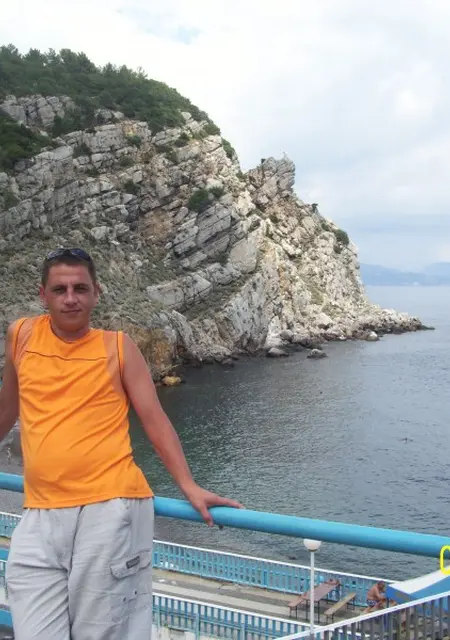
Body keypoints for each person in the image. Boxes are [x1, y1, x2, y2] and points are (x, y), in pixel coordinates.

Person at [0, 248, 243, 640]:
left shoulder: (117, 347)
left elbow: (155, 419)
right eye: (60, 289)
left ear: (96, 292)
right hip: (40, 512)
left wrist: (188, 485)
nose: (71, 298)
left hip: (109, 509)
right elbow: (7, 410)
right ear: (43, 295)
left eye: (80, 288)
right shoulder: (22, 336)